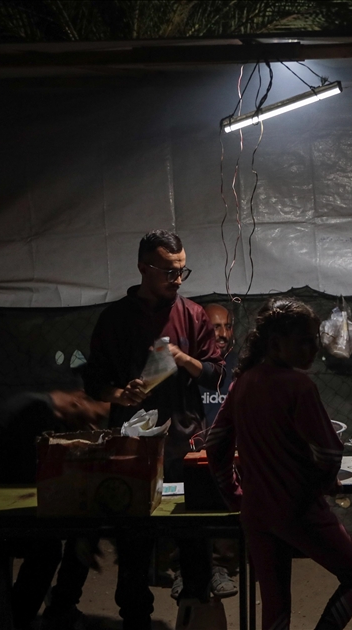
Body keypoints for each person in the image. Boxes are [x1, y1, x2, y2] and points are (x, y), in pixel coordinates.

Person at [82, 230, 224, 629]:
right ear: (143, 267)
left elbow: (215, 376)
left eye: (183, 271)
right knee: (134, 540)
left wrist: (183, 358)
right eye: (168, 272)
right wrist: (119, 394)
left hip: (185, 443)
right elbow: (95, 383)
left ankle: (196, 609)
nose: (178, 280)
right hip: (132, 446)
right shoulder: (115, 319)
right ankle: (135, 617)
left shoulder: (193, 314)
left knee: (194, 537)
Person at [206, 298, 352, 630]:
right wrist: (325, 483)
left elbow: (215, 443)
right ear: (277, 344)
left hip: (256, 512)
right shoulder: (298, 386)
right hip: (297, 510)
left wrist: (233, 492)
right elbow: (328, 452)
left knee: (275, 604)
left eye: (315, 339)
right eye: (305, 340)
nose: (314, 347)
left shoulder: (242, 383)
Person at [0, 390, 108, 630]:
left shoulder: (37, 408)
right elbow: (36, 479)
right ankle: (18, 619)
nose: (91, 425)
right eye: (93, 417)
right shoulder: (34, 413)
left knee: (75, 535)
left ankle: (51, 610)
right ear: (79, 400)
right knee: (49, 548)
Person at [168, 303, 239, 600]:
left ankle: (220, 567)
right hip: (188, 451)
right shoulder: (188, 369)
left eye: (226, 327)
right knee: (180, 505)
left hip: (224, 452)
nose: (221, 334)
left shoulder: (237, 366)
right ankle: (183, 568)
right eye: (214, 327)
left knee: (224, 503)